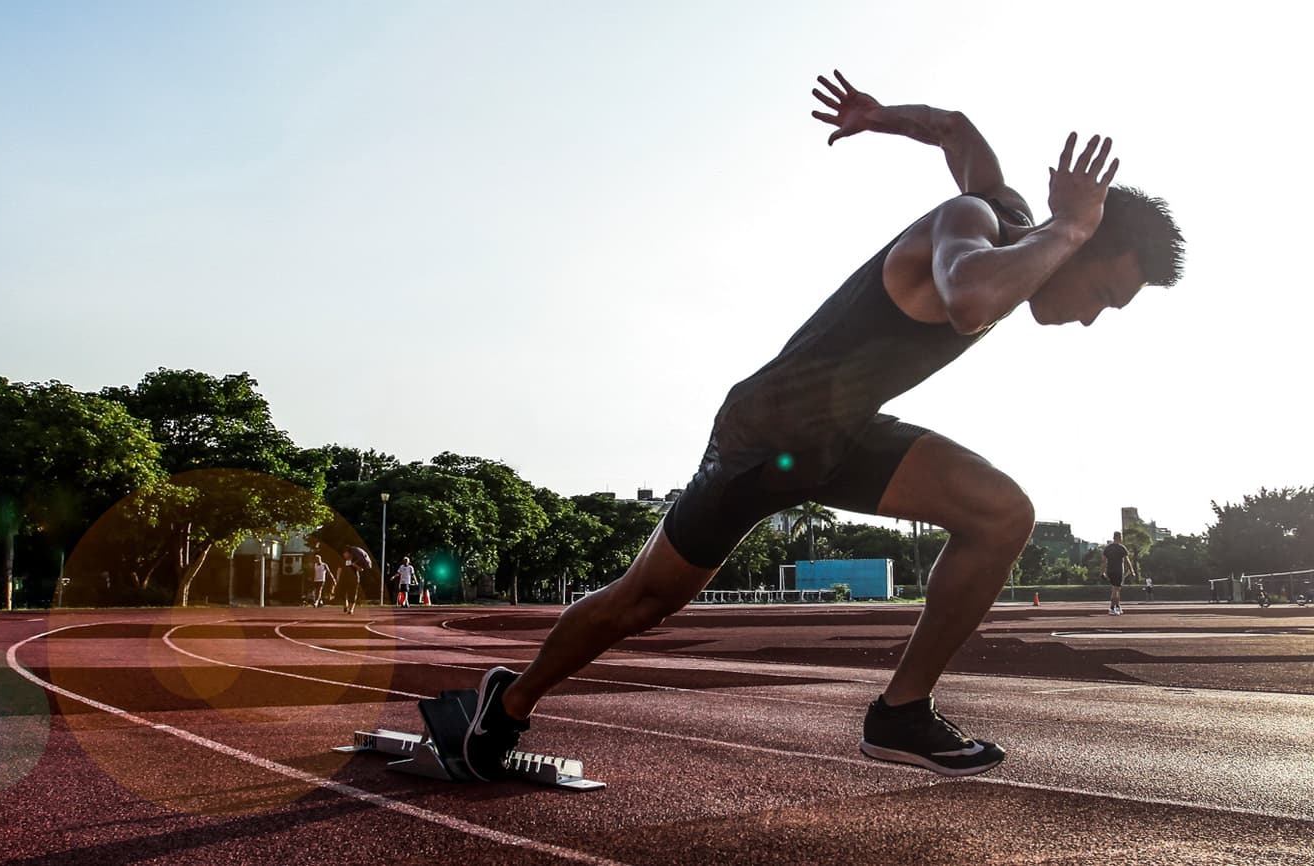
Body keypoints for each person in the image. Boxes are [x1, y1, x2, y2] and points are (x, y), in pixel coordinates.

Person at [459, 70, 1184, 780]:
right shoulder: (973, 223)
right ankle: (511, 698)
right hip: (765, 435)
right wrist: (1069, 227)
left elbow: (954, 130)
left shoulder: (1006, 208)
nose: (1092, 317)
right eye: (1103, 294)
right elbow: (969, 297)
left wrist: (877, 115)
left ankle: (901, 713)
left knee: (1001, 515)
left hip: (840, 437)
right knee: (643, 600)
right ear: (1080, 241)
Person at [1102, 531, 1135, 615]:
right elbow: (1127, 561)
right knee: (1115, 589)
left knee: (1117, 589)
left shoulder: (1107, 548)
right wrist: (1132, 571)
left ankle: (1117, 606)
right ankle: (1112, 608)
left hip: (1110, 571)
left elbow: (1103, 561)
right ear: (1119, 537)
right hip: (1118, 570)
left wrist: (1103, 572)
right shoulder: (1121, 548)